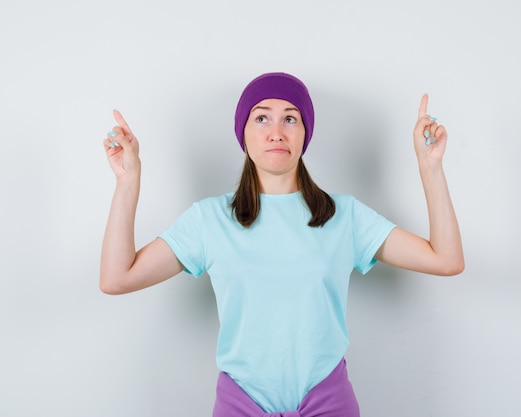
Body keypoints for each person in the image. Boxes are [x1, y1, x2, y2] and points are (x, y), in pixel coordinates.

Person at [100, 72, 464, 417]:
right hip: (240, 406)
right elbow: (117, 278)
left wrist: (430, 167)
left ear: (305, 133)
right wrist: (127, 181)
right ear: (243, 133)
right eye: (262, 118)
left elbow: (445, 259)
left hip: (329, 405)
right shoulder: (207, 220)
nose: (276, 131)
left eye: (290, 119)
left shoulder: (346, 216)